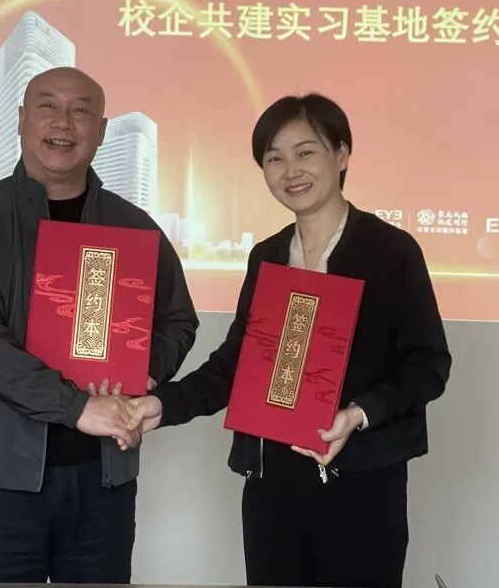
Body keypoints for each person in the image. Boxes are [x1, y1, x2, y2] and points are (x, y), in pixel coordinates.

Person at [127, 93, 451, 588]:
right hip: (272, 482)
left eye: (306, 152)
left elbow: (428, 365)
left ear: (341, 155)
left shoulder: (391, 251)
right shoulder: (267, 256)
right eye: (274, 158)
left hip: (362, 482)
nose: (290, 171)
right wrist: (162, 405)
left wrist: (358, 413)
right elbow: (234, 365)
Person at [0, 67, 198, 584]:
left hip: (104, 475)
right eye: (48, 106)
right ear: (21, 119)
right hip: (2, 476)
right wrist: (78, 408)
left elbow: (177, 318)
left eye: (81, 110)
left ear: (100, 129)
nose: (63, 122)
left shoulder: (133, 227)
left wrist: (142, 371)